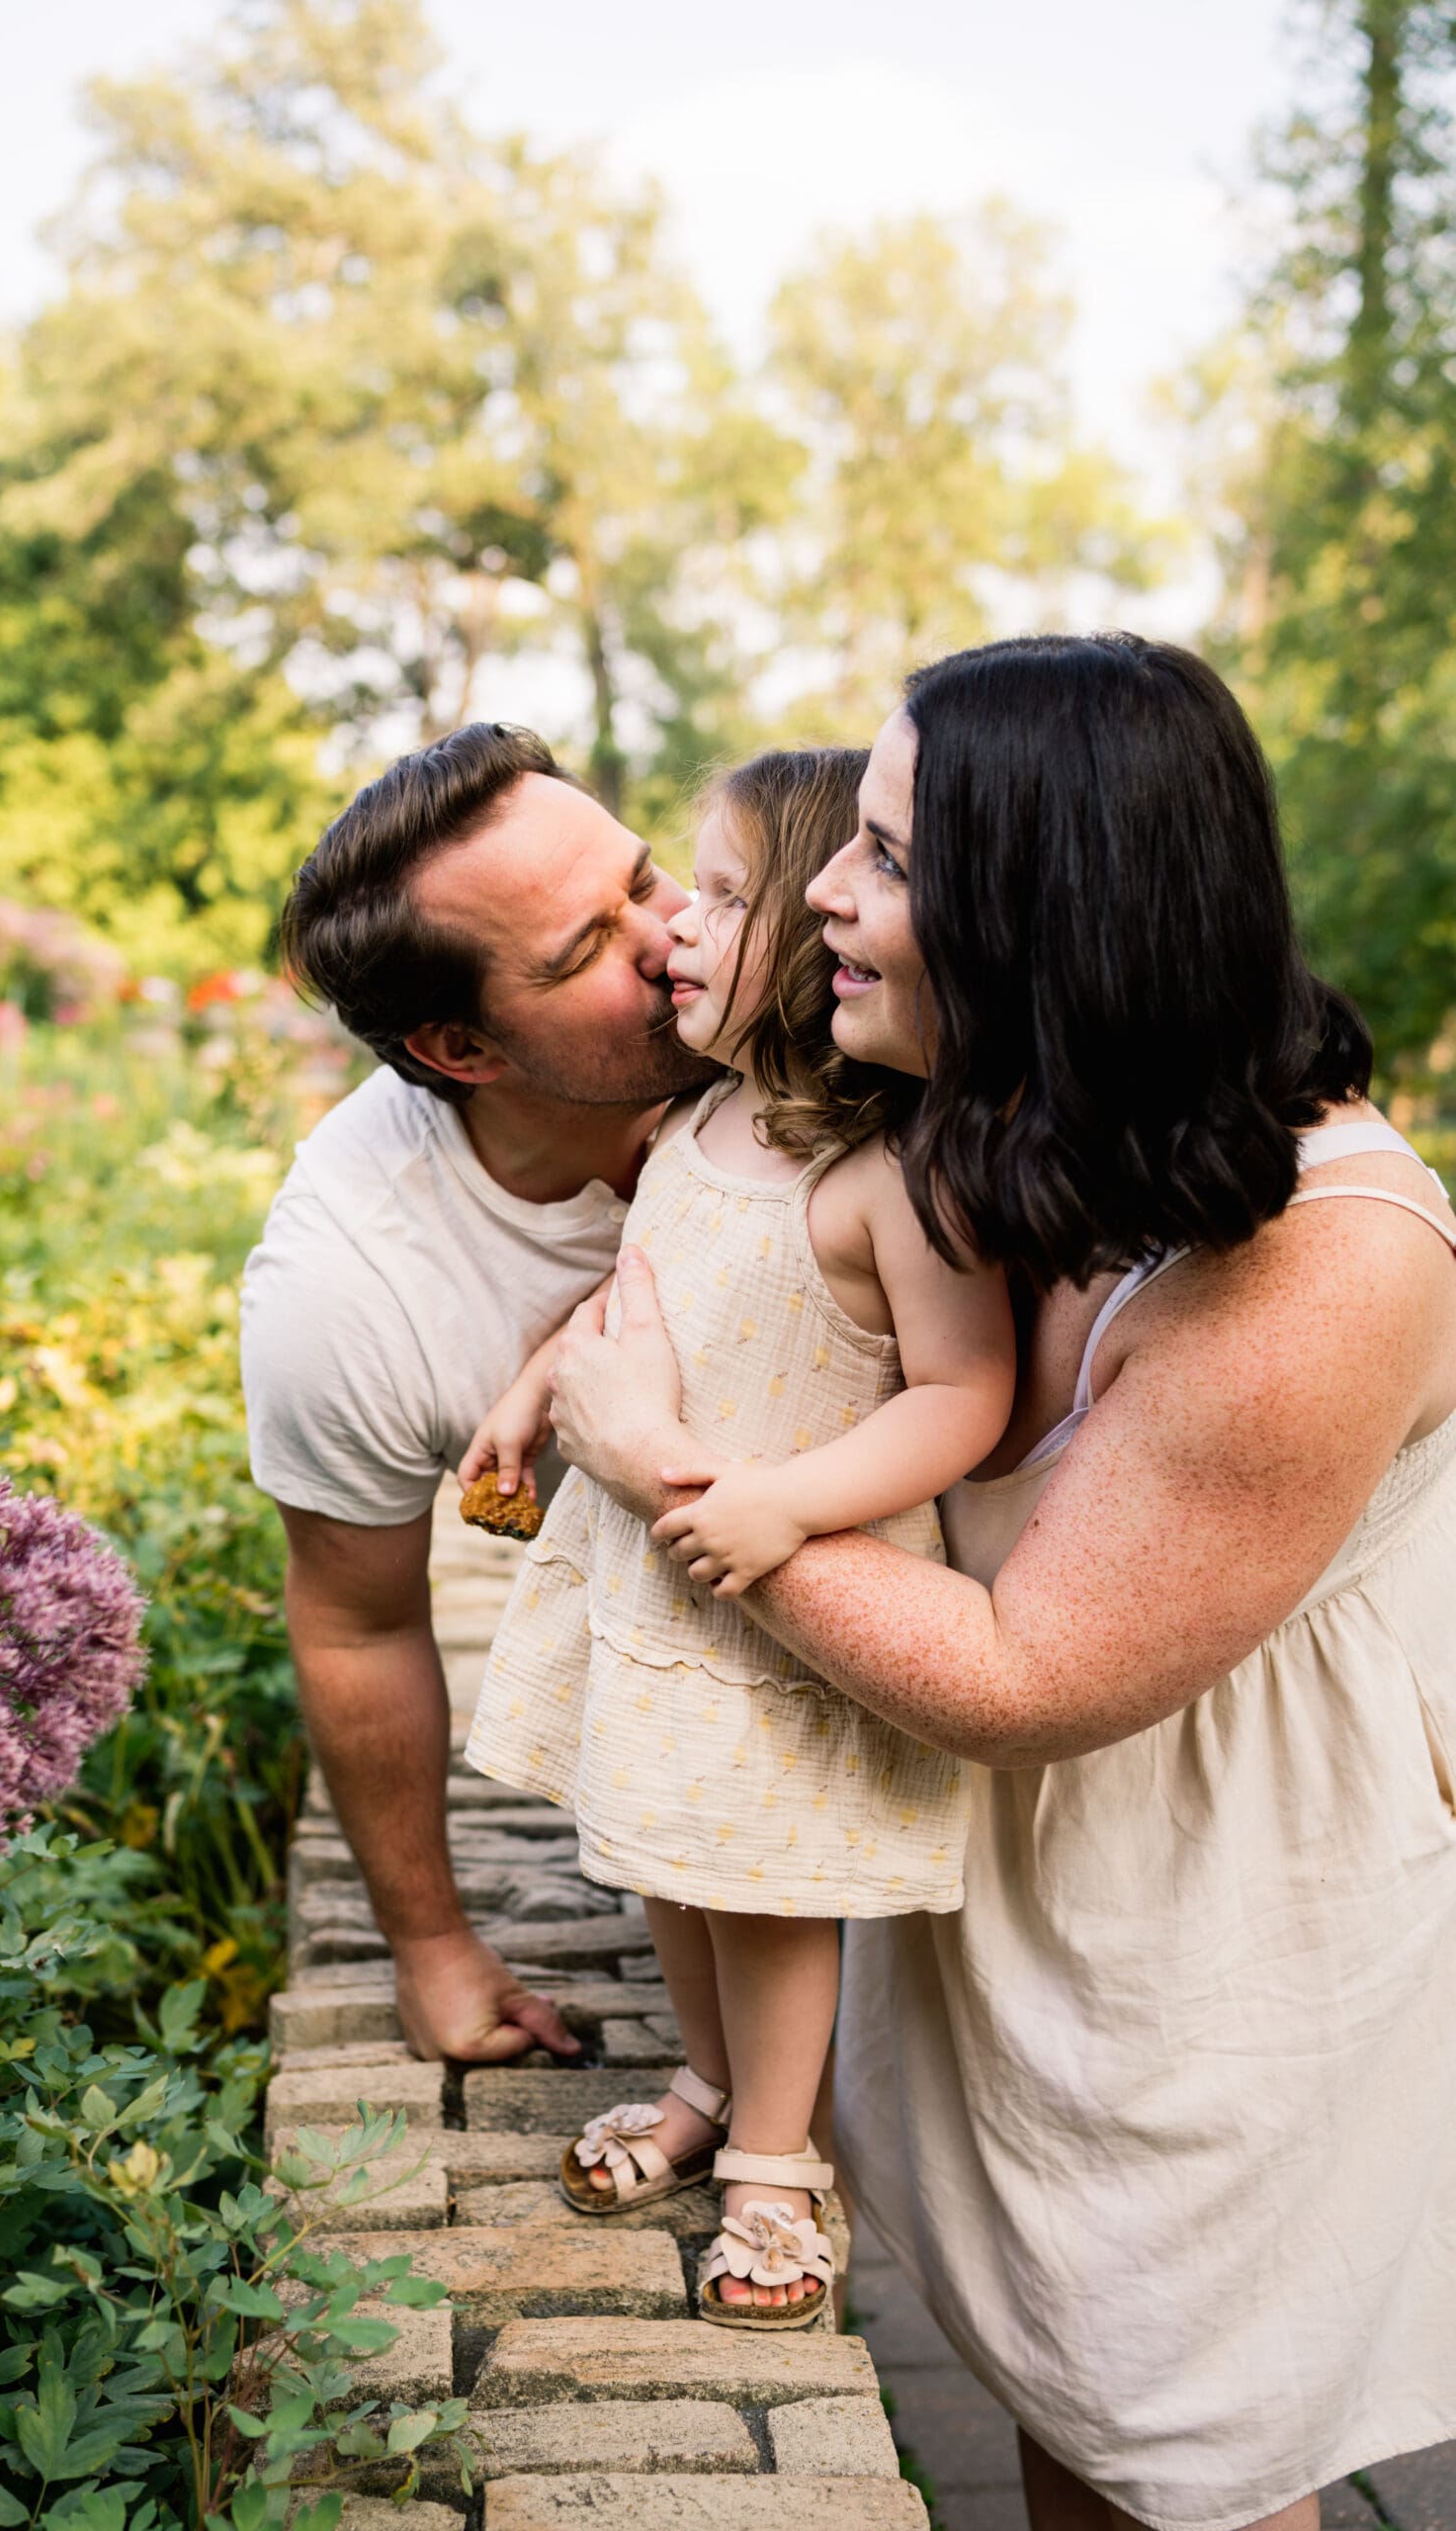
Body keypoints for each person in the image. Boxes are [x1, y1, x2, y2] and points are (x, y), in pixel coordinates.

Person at [544, 636, 1456, 2527]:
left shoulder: (1320, 1266)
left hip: (1212, 1920)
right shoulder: (1006, 1121)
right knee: (1068, 2402)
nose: (825, 901)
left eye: (882, 859)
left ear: (1053, 912)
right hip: (1030, 1876)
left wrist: (665, 1474)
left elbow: (1036, 1669)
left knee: (1181, 2446)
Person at [461, 748, 1014, 2327]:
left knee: (763, 1889)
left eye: (718, 896)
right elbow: (634, 1295)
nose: (675, 933)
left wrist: (787, 1504)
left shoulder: (883, 1181)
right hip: (657, 1585)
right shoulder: (697, 1122)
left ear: (833, 940)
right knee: (667, 1860)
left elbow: (962, 1395)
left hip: (770, 1588)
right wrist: (528, 1390)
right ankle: (704, 2083)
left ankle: (782, 2160)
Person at [240, 721, 717, 2063]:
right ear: (461, 1047)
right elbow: (357, 1624)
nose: (673, 937)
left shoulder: (795, 1000)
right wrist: (432, 1941)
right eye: (590, 948)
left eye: (647, 877)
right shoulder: (348, 1293)